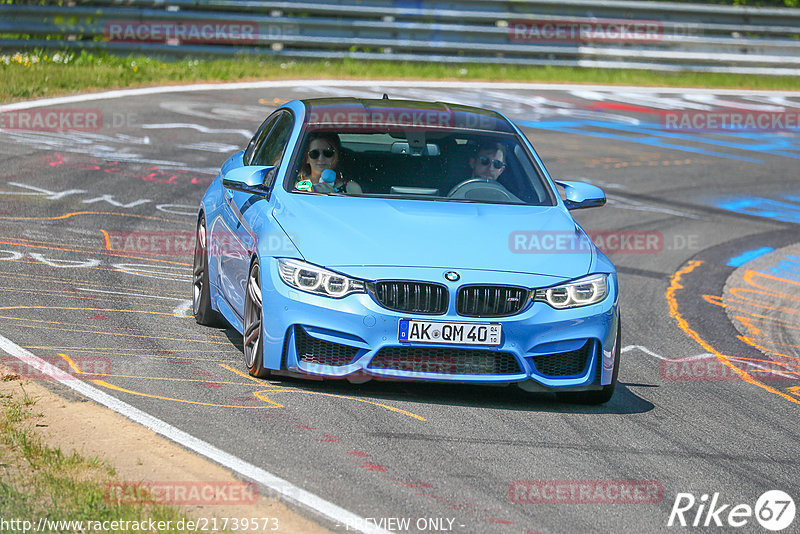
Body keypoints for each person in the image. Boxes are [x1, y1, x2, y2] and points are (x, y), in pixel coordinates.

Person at [295, 132, 362, 194]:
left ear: (336, 157)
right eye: (314, 154)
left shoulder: (351, 188)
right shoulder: (292, 185)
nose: (321, 159)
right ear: (307, 158)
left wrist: (334, 197)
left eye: (328, 153)